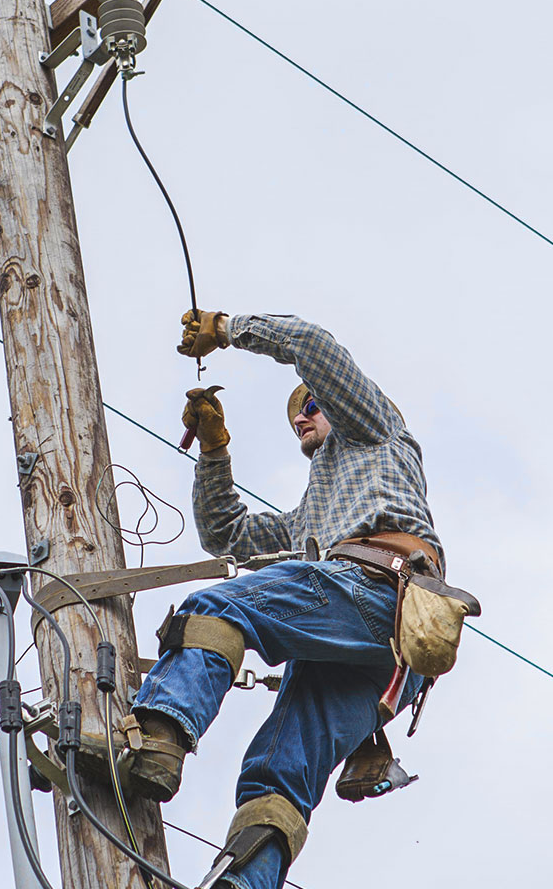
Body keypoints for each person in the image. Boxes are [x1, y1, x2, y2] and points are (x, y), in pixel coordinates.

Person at [125, 311, 444, 889]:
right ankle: (245, 883)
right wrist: (216, 450)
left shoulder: (377, 429)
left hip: (377, 587)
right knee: (278, 774)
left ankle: (157, 739)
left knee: (217, 609)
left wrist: (224, 328)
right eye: (296, 411)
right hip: (388, 654)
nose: (301, 414)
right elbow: (227, 534)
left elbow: (311, 343)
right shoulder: (312, 520)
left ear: (346, 404)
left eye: (314, 404)